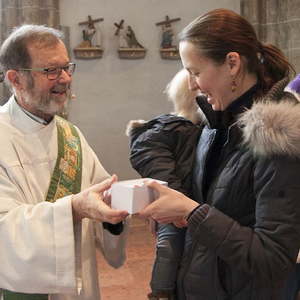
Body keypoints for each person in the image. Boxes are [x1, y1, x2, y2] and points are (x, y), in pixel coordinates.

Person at [139, 8, 300, 300]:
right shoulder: (215, 125)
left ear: (232, 64)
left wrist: (189, 211)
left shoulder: (278, 140)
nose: (190, 85)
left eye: (196, 72)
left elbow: (274, 259)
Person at [0, 24, 129, 300]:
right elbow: (4, 229)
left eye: (67, 67)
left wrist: (115, 212)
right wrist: (72, 208)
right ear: (16, 79)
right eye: (51, 70)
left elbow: (98, 202)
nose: (65, 78)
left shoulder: (70, 135)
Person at [126, 69, 202, 300]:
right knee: (168, 246)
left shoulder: (206, 129)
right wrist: (177, 202)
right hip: (177, 205)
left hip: (193, 205)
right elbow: (162, 173)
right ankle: (161, 292)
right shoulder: (174, 129)